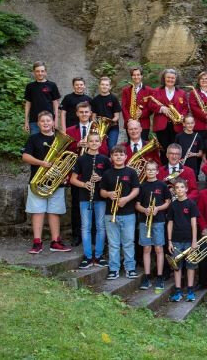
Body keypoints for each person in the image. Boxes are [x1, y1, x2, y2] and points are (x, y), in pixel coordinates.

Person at [22, 111, 71, 254]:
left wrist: (64, 175)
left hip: (56, 181)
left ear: (53, 122)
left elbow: (66, 159)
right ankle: (37, 242)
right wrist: (41, 163)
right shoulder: (33, 138)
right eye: (42, 121)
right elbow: (25, 156)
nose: (45, 123)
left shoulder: (60, 139)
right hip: (38, 181)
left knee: (54, 212)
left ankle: (56, 241)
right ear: (38, 123)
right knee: (37, 211)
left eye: (48, 120)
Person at [65, 101, 108, 246]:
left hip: (95, 174)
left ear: (90, 113)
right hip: (77, 175)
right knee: (76, 205)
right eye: (81, 112)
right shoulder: (70, 130)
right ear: (77, 113)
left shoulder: (98, 130)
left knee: (96, 205)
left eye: (86, 112)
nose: (84, 114)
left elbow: (105, 151)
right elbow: (64, 151)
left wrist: (92, 145)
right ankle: (77, 235)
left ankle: (95, 235)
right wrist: (76, 145)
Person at [69, 132, 110, 267]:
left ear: (100, 143)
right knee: (86, 227)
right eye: (91, 141)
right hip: (84, 197)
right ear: (86, 143)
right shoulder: (81, 159)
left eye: (96, 141)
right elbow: (73, 179)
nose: (93, 143)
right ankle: (87, 256)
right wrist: (84, 184)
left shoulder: (105, 159)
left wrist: (101, 178)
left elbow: (111, 179)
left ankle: (98, 256)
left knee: (100, 226)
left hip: (101, 198)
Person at [100, 145, 141, 280]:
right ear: (111, 157)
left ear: (126, 157)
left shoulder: (131, 172)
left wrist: (126, 199)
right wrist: (109, 194)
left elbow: (136, 189)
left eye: (121, 154)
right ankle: (114, 269)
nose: (118, 157)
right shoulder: (107, 173)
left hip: (128, 214)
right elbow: (102, 191)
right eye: (116, 155)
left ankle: (130, 268)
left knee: (128, 242)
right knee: (113, 244)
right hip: (110, 214)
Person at [135, 161, 172, 292]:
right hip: (144, 221)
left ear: (157, 171)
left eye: (152, 169)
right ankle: (146, 276)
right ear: (145, 171)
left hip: (159, 221)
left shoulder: (162, 185)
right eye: (148, 170)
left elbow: (167, 202)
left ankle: (160, 276)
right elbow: (137, 205)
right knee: (146, 248)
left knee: (158, 249)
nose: (150, 172)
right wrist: (144, 210)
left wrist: (157, 208)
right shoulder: (142, 186)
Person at [166, 178, 200, 302]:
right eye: (177, 188)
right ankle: (178, 291)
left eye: (181, 187)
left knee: (191, 266)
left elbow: (194, 224)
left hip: (189, 240)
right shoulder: (173, 205)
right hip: (175, 240)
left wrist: (194, 241)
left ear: (186, 189)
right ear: (174, 190)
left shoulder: (191, 204)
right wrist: (169, 241)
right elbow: (170, 223)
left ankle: (190, 291)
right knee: (177, 266)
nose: (179, 189)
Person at [148, 68, 188, 162]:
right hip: (162, 126)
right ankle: (164, 169)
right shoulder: (156, 91)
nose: (170, 79)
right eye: (168, 77)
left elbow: (185, 108)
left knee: (176, 150)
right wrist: (161, 108)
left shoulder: (182, 93)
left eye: (172, 78)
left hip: (177, 126)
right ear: (164, 78)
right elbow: (150, 105)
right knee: (164, 151)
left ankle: (175, 169)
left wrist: (182, 116)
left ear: (176, 79)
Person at [24, 61, 61, 134]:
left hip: (49, 121)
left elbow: (55, 104)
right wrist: (26, 121)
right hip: (34, 121)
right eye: (37, 71)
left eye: (42, 71)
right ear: (34, 72)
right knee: (35, 140)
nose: (40, 73)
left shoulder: (52, 85)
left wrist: (56, 120)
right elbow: (28, 104)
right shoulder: (30, 86)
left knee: (50, 141)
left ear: (45, 72)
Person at [120, 66, 152, 140]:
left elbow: (151, 107)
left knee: (143, 144)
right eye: (134, 75)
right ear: (131, 77)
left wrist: (142, 113)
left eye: (138, 75)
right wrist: (129, 119)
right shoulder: (126, 90)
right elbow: (124, 107)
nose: (136, 77)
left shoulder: (149, 90)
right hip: (130, 123)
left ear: (142, 76)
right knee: (130, 144)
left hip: (143, 123)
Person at [91, 76, 122, 150]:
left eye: (106, 85)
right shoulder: (95, 100)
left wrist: (108, 123)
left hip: (112, 128)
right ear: (99, 86)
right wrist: (96, 125)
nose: (104, 86)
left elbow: (117, 116)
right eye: (102, 84)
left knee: (111, 147)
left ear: (110, 87)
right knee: (99, 148)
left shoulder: (114, 98)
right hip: (99, 128)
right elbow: (93, 116)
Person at [189, 71, 207, 138]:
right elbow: (194, 108)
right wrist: (206, 116)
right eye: (201, 79)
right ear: (199, 81)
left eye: (206, 78)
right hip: (200, 125)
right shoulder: (193, 93)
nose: (204, 80)